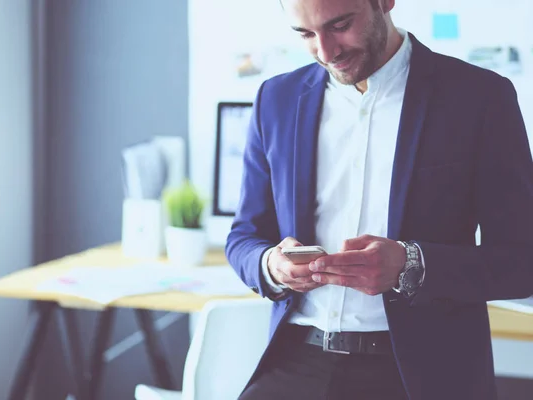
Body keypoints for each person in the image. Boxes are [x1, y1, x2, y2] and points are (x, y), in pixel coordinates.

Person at [225, 0, 533, 399]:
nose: (326, 51)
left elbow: (521, 260)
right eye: (305, 33)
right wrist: (271, 265)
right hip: (296, 361)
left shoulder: (480, 97)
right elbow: (244, 237)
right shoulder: (276, 99)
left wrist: (411, 265)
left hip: (422, 373)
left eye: (340, 25)